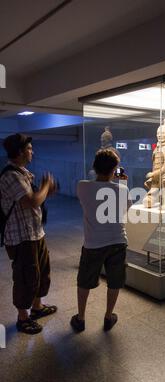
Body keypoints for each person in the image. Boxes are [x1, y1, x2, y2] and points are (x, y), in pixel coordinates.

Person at [0, 133, 57, 334]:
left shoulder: (22, 172)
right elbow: (31, 201)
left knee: (41, 271)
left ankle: (37, 308)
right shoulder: (11, 176)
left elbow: (35, 201)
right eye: (29, 148)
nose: (32, 151)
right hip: (21, 237)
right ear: (20, 152)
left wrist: (45, 191)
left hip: (35, 233)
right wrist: (45, 187)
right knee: (26, 276)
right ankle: (22, 318)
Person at [70, 148, 130, 332]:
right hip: (118, 241)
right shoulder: (123, 188)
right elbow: (125, 209)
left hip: (93, 243)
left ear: (95, 167)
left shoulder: (83, 186)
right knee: (114, 281)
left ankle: (80, 318)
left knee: (84, 281)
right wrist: (120, 182)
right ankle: (108, 316)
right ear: (115, 169)